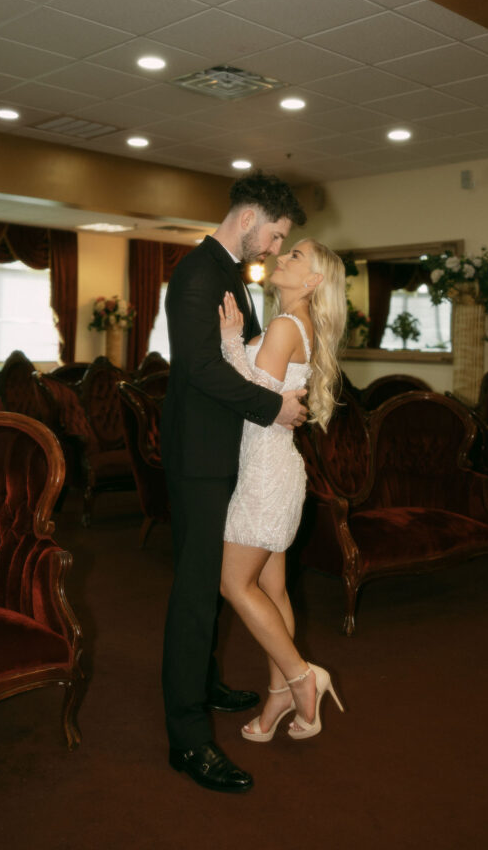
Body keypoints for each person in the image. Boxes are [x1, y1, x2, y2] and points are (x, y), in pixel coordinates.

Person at [161, 170, 307, 794]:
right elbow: (195, 369)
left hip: (227, 454)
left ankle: (204, 682)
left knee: (213, 586)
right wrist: (272, 408)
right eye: (275, 236)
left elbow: (231, 354)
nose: (274, 250)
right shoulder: (198, 273)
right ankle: (188, 741)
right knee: (197, 593)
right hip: (200, 456)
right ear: (249, 219)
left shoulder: (230, 275)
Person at [218, 238, 347, 742]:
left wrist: (230, 340)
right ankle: (278, 698)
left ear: (312, 282)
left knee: (234, 585)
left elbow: (253, 396)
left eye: (296, 256)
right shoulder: (300, 326)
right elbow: (271, 394)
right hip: (274, 468)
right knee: (272, 589)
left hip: (265, 473)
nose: (283, 258)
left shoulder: (283, 325)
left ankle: (300, 676)